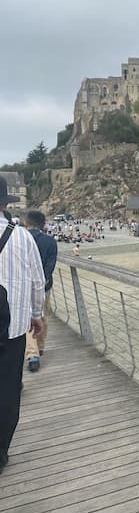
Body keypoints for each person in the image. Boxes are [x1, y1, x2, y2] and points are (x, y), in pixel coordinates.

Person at [0, 177, 45, 474]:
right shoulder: (21, 236)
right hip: (12, 326)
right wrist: (37, 313)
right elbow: (36, 280)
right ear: (5, 203)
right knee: (7, 391)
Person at [24, 210, 58, 372]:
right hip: (44, 286)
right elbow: (50, 267)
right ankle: (41, 346)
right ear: (43, 224)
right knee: (42, 315)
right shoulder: (50, 241)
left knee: (28, 319)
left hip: (23, 286)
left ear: (27, 223)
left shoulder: (20, 238)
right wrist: (42, 282)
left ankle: (32, 355)